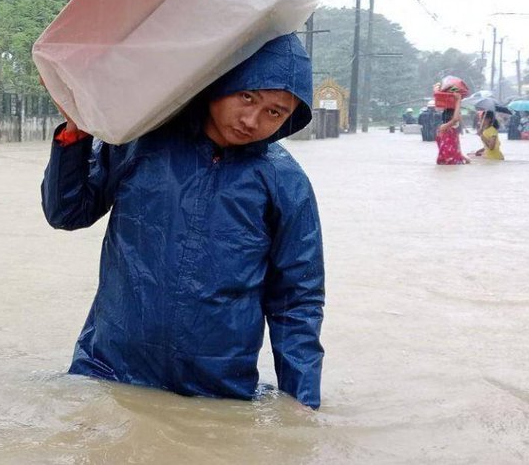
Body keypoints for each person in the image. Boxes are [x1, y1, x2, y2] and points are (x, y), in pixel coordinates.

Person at [41, 34, 325, 409]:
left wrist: (301, 411)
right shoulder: (140, 140)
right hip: (109, 371)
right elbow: (66, 213)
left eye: (275, 113)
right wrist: (75, 134)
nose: (251, 120)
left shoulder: (286, 182)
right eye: (247, 97)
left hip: (216, 391)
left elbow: (297, 301)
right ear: (223, 80)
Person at [435, 97, 469, 165]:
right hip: (446, 162)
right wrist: (458, 100)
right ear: (451, 117)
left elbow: (456, 149)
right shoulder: (443, 128)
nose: (460, 117)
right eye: (459, 115)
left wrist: (465, 158)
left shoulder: (454, 131)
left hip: (454, 162)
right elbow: (455, 119)